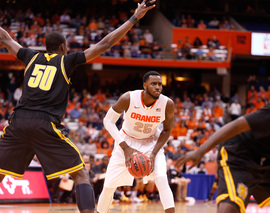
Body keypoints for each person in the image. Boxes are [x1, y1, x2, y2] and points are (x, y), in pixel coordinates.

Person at [0, 1, 156, 213]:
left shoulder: (29, 55)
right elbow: (105, 43)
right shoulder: (66, 61)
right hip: (45, 123)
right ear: (63, 47)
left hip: (18, 122)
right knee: (81, 173)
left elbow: (5, 38)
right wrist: (134, 18)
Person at [175, 57, 270, 213]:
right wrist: (200, 151)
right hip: (239, 155)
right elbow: (237, 124)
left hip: (266, 163)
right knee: (229, 210)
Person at [97, 71, 175, 213]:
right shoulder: (129, 98)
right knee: (109, 186)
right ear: (144, 86)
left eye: (159, 84)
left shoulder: (167, 104)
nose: (157, 87)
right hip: (126, 140)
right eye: (153, 84)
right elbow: (107, 121)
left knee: (162, 178)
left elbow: (166, 130)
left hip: (151, 142)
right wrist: (125, 148)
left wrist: (153, 153)